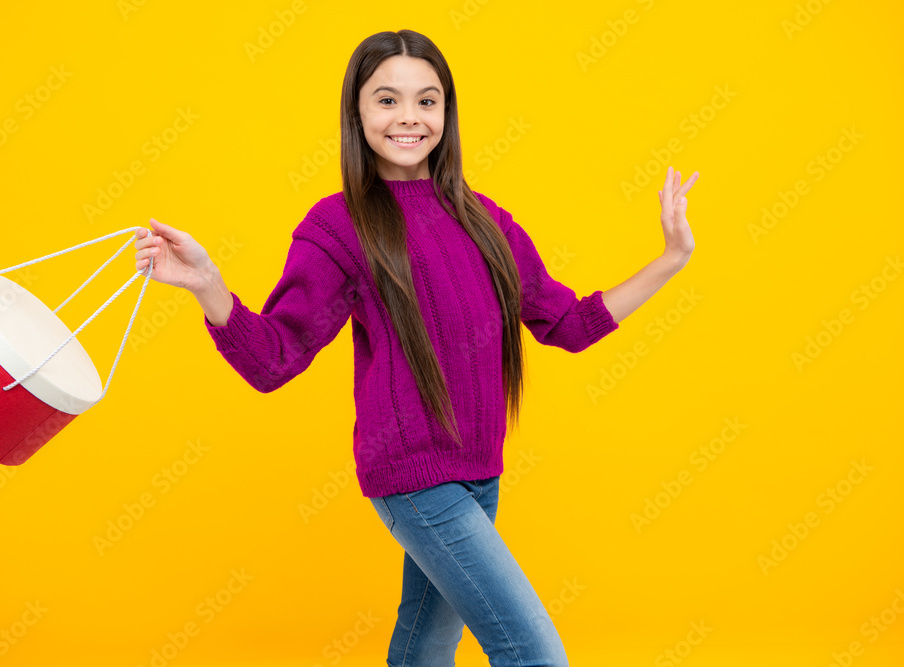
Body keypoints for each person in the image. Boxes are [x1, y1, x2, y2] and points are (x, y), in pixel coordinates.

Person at [134, 28, 697, 667]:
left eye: (427, 101)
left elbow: (566, 323)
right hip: (413, 478)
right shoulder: (336, 225)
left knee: (426, 646)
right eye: (387, 100)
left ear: (447, 115)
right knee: (534, 654)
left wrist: (671, 259)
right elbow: (275, 359)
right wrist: (209, 284)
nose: (409, 117)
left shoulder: (485, 219)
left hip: (481, 470)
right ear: (358, 114)